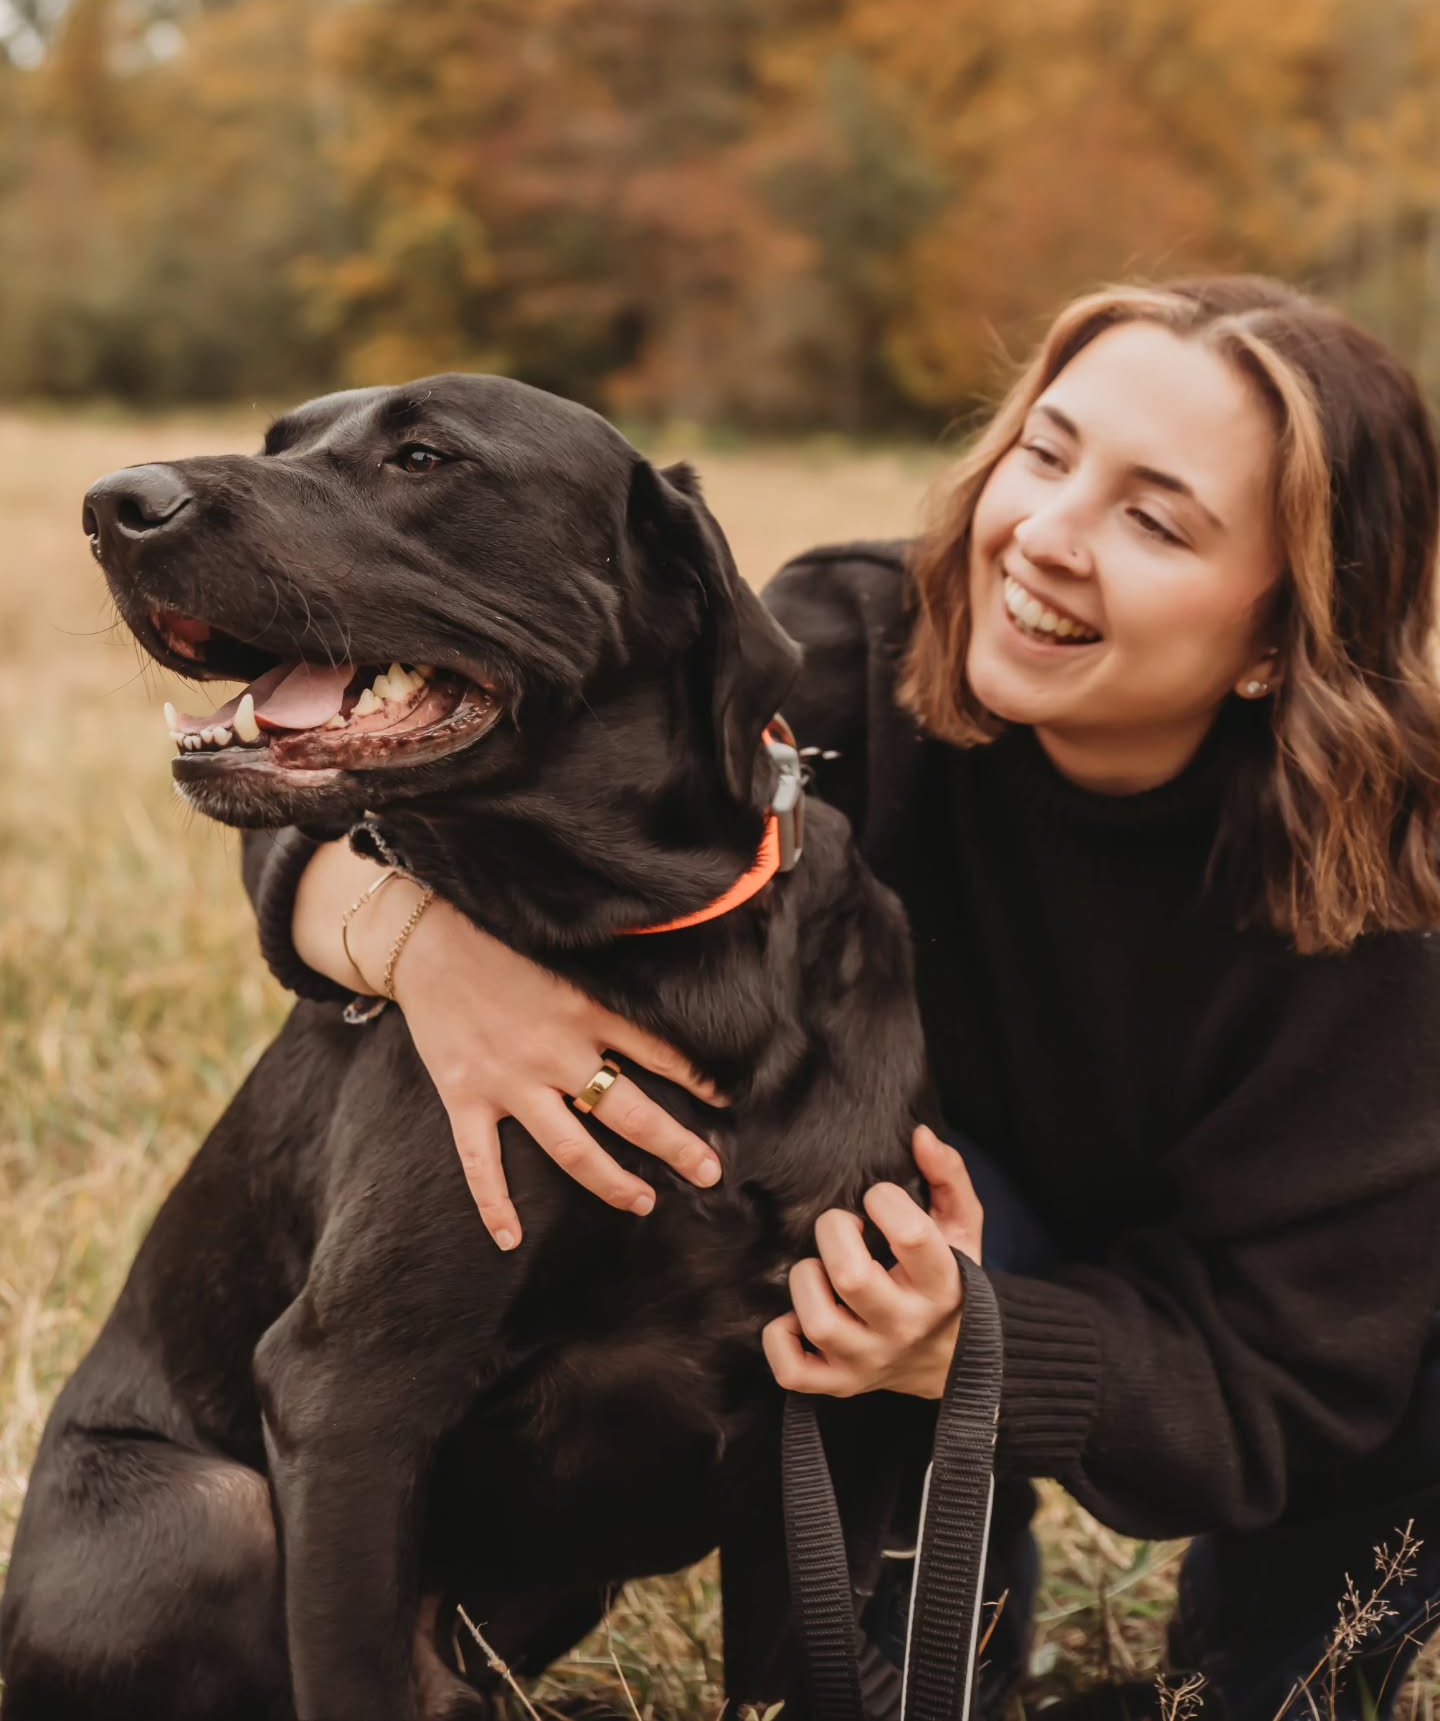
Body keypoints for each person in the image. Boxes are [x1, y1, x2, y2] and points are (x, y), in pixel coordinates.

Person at [243, 277, 1440, 1718]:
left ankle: (1287, 1661)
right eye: (1044, 454)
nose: (1046, 537)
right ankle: (914, 1653)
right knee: (886, 1210)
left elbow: (1298, 1372)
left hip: (1274, 1333)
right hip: (912, 1214)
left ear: (1275, 634)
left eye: (1157, 518)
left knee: (1292, 1683)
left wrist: (979, 1335)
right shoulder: (838, 655)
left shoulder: (1393, 915)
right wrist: (414, 942)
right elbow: (365, 748)